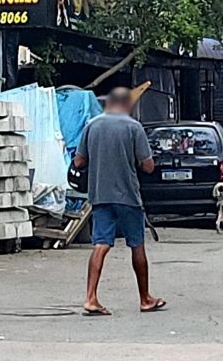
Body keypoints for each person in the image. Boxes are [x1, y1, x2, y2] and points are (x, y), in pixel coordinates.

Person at [74, 87, 165, 316]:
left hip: (100, 195)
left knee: (101, 244)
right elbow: (148, 166)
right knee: (137, 244)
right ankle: (145, 298)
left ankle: (91, 298)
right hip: (128, 196)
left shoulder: (91, 125)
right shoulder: (134, 127)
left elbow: (79, 162)